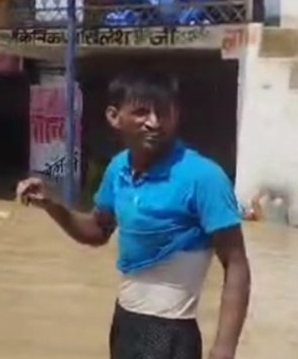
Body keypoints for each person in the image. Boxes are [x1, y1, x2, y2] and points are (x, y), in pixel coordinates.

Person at [15, 70, 249, 359]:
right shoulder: (118, 169)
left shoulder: (203, 177)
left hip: (173, 332)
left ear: (176, 115)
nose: (153, 122)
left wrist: (224, 349)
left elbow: (236, 264)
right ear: (114, 117)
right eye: (141, 112)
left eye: (162, 113)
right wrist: (52, 205)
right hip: (125, 322)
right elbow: (97, 231)